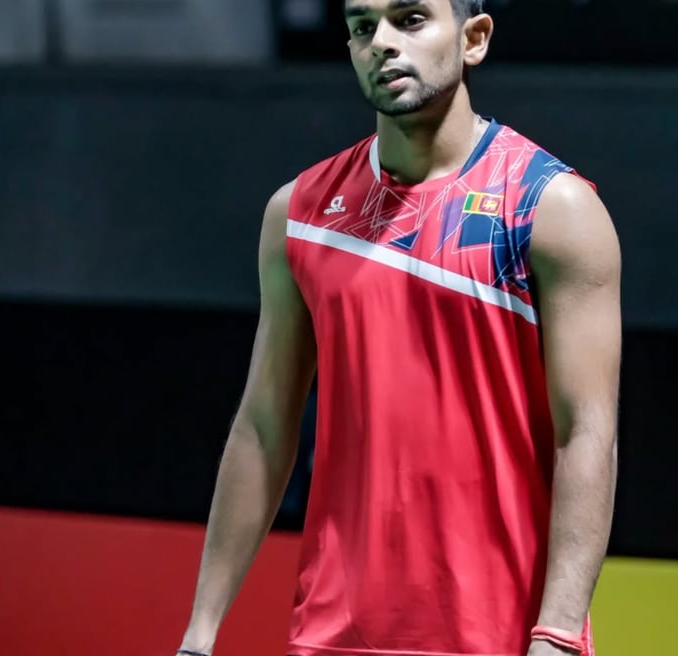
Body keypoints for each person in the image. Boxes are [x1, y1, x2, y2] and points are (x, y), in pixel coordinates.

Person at [177, 1, 621, 655]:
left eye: (410, 19)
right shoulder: (300, 215)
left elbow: (587, 433)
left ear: (473, 39)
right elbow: (264, 427)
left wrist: (555, 633)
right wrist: (200, 631)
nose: (382, 42)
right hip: (336, 633)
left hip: (501, 636)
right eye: (363, 27)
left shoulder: (551, 208)